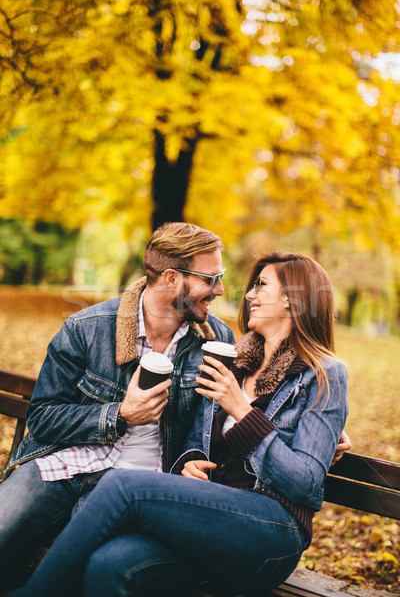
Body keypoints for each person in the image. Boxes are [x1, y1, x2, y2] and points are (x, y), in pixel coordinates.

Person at [12, 252, 349, 597]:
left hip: (270, 532)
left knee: (123, 487)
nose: (248, 295)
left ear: (294, 300)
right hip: (203, 520)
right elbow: (194, 437)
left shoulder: (323, 376)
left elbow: (305, 485)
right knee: (110, 564)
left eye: (261, 286)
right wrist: (187, 463)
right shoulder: (235, 364)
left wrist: (243, 411)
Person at [0, 222, 234, 582]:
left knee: (82, 573)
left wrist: (324, 432)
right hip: (61, 466)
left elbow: (226, 408)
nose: (219, 289)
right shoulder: (87, 328)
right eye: (211, 278)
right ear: (171, 278)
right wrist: (120, 414)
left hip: (136, 485)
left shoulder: (215, 340)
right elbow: (43, 418)